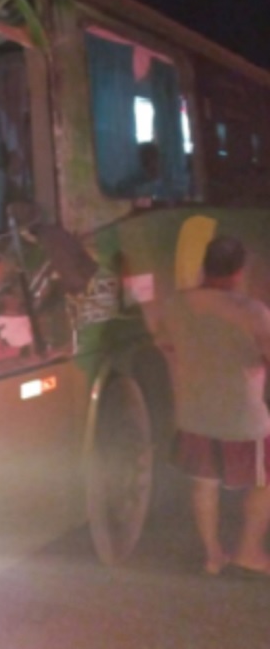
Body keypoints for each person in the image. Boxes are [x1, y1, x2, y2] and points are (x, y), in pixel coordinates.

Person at [161, 235, 270, 578]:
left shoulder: (176, 305)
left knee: (204, 483)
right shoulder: (251, 311)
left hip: (194, 412)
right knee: (266, 482)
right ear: (239, 272)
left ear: (204, 267)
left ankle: (212, 556)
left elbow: (168, 346)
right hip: (242, 416)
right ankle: (248, 552)